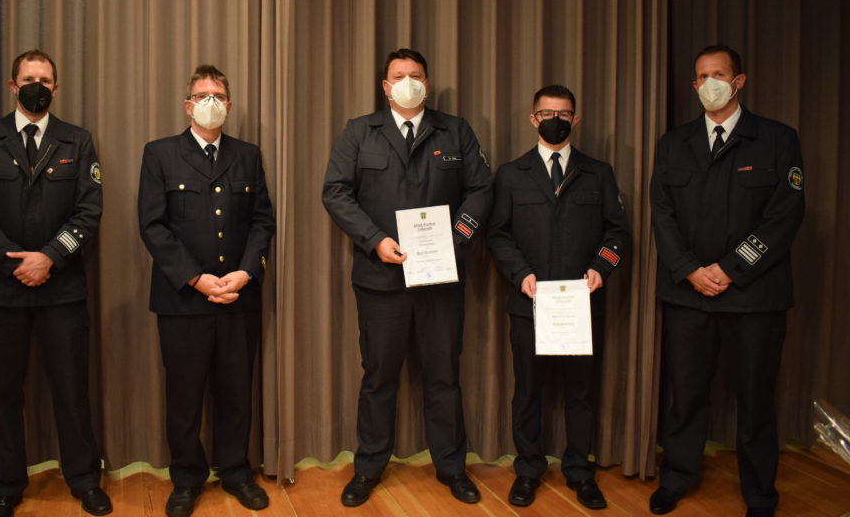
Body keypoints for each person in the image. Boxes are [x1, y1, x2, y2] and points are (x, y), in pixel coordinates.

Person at [322, 48, 493, 507]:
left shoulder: (455, 130)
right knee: (379, 378)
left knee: (444, 376)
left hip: (441, 278)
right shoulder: (360, 131)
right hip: (380, 279)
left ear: (427, 83)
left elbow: (481, 189)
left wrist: (455, 239)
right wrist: (374, 239)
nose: (408, 82)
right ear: (385, 86)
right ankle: (368, 468)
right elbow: (335, 192)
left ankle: (452, 468)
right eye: (398, 76)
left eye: (415, 75)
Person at [649, 45, 805, 517]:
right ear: (694, 85)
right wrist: (690, 270)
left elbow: (784, 217)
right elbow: (662, 214)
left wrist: (730, 269)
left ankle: (760, 493)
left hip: (754, 298)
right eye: (702, 76)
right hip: (688, 295)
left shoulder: (776, 139)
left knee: (756, 401)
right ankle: (677, 477)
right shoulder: (674, 142)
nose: (709, 83)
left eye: (719, 74)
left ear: (739, 82)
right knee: (685, 396)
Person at [0, 50, 111, 517]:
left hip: (61, 289)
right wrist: (15, 264)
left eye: (45, 79)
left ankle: (84, 479)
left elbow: (89, 211)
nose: (37, 86)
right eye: (29, 79)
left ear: (56, 88)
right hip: (1, 291)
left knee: (71, 389)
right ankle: (7, 484)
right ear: (12, 85)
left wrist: (49, 257)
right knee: (4, 392)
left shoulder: (77, 140)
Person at [138, 64, 275, 517]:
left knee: (236, 393)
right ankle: (186, 479)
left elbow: (262, 222)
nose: (210, 102)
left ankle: (236, 472)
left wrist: (246, 273)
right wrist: (196, 279)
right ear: (188, 105)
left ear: (229, 105)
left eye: (218, 95)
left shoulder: (247, 155)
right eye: (202, 95)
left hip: (238, 297)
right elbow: (153, 226)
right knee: (184, 398)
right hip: (182, 300)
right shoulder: (160, 153)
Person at [486, 85, 631, 510]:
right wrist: (521, 274)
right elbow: (497, 234)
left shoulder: (598, 172)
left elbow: (618, 232)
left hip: (580, 307)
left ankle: (580, 472)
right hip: (528, 304)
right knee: (528, 391)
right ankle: (528, 470)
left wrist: (601, 268)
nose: (556, 120)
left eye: (564, 114)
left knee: (581, 393)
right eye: (547, 113)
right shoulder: (511, 174)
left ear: (575, 120)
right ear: (533, 119)